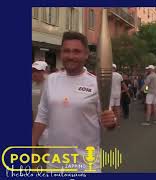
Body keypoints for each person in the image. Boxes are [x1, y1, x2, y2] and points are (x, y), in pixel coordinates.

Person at [32, 31, 117, 172]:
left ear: (86, 54)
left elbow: (108, 122)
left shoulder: (96, 84)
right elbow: (42, 116)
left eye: (76, 51)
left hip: (86, 166)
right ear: (61, 53)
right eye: (67, 51)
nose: (71, 56)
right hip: (55, 164)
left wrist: (111, 123)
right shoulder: (51, 80)